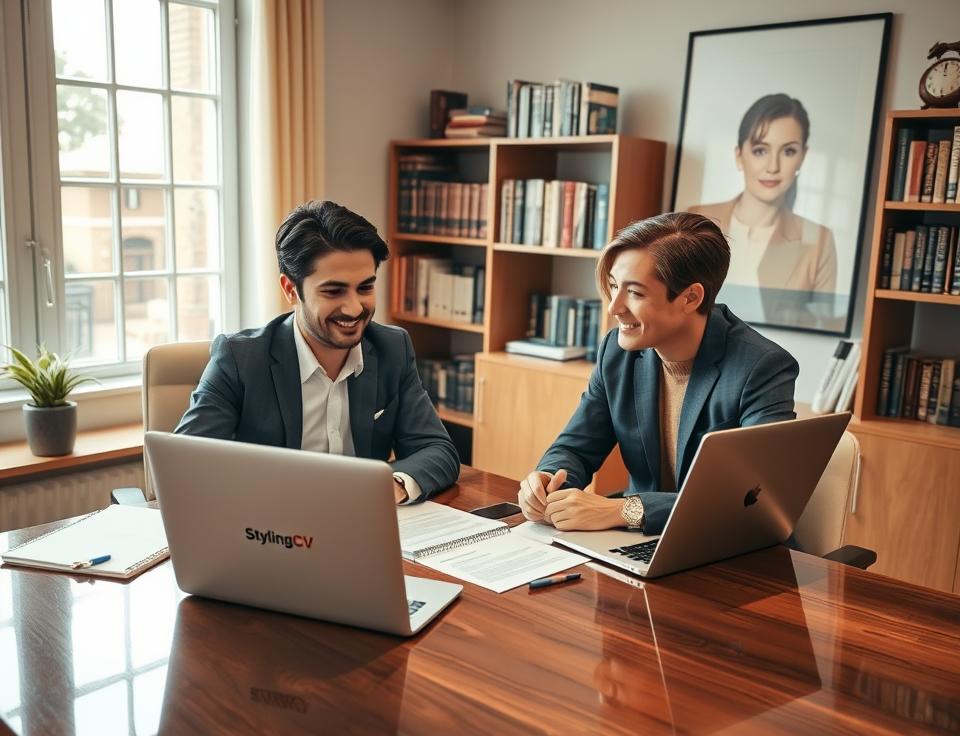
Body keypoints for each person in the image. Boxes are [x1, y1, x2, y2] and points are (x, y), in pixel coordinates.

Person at [517, 212, 799, 535]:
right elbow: (575, 448)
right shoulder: (617, 353)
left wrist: (624, 509)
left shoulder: (762, 368)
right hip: (640, 542)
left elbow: (748, 499)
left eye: (634, 293)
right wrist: (546, 482)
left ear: (690, 298)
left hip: (726, 553)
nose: (614, 307)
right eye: (613, 286)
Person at [176, 200, 460, 504]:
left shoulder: (393, 348)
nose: (354, 308)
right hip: (272, 531)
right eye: (333, 291)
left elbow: (438, 450)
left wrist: (392, 485)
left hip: (358, 529)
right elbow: (184, 467)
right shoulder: (240, 359)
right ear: (290, 289)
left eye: (365, 288)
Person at [689, 94, 838, 329]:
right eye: (760, 150)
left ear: (802, 157)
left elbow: (824, 323)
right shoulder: (697, 220)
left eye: (788, 151)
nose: (773, 167)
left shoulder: (818, 239)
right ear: (739, 156)